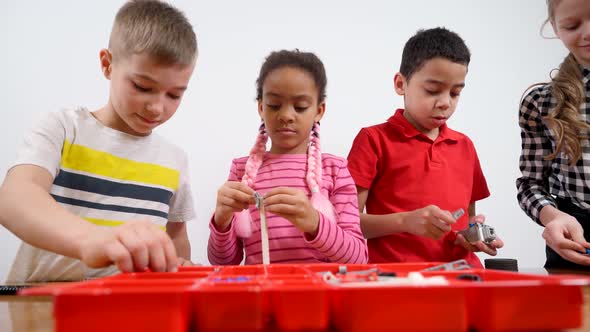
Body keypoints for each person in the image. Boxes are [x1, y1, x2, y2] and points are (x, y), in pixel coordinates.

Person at [0, 0, 198, 282]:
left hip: (133, 308)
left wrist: (179, 269)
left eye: (174, 95)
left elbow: (176, 235)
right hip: (45, 305)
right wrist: (92, 239)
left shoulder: (175, 159)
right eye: (142, 87)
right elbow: (15, 196)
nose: (157, 107)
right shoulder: (64, 128)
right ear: (107, 64)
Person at [347, 27, 503, 267]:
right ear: (401, 84)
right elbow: (347, 225)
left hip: (461, 275)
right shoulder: (373, 140)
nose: (445, 103)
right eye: (432, 91)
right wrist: (405, 222)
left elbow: (467, 219)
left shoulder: (464, 146)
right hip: (397, 279)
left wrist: (470, 236)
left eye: (455, 93)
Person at [208, 50, 367, 265]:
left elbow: (358, 258)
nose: (286, 116)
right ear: (261, 108)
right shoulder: (241, 169)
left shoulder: (335, 169)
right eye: (274, 105)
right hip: (260, 296)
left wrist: (314, 223)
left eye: (300, 107)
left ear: (319, 111)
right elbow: (223, 263)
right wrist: (222, 220)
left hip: (321, 295)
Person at [516, 0, 590, 268]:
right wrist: (552, 217)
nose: (587, 33)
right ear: (555, 27)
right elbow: (531, 184)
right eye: (572, 25)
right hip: (574, 241)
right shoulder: (540, 103)